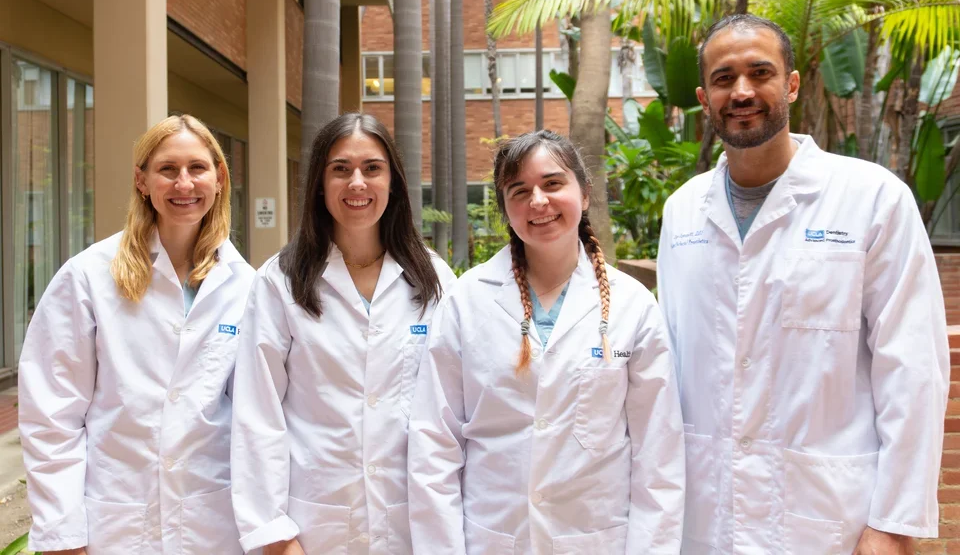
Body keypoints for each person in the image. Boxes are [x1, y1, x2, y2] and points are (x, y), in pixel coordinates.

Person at [656, 14, 950, 555]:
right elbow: (671, 367)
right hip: (705, 513)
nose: (741, 91)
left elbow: (913, 368)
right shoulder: (682, 214)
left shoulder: (872, 199)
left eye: (759, 72)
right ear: (704, 97)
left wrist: (894, 520)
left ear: (790, 83)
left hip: (829, 515)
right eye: (723, 79)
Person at [408, 130, 685, 554]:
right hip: (492, 538)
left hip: (595, 540)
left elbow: (658, 455)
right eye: (519, 191)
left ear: (585, 193)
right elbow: (435, 443)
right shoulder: (467, 300)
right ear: (505, 209)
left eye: (553, 183)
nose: (538, 201)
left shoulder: (632, 306)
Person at [18, 114, 255, 554]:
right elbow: (52, 415)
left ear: (219, 178)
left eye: (197, 168)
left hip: (215, 523)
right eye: (167, 169)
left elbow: (258, 418)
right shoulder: (89, 276)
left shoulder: (246, 286)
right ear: (142, 180)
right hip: (117, 523)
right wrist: (62, 535)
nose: (184, 183)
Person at [229, 112, 455, 555]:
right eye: (340, 169)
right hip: (314, 525)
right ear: (319, 182)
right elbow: (257, 414)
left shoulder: (434, 279)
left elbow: (455, 408)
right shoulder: (280, 280)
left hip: (414, 524)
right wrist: (275, 535)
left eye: (372, 168)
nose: (357, 183)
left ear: (393, 182)